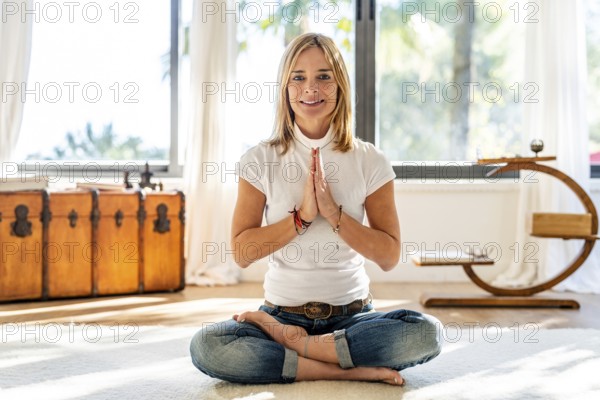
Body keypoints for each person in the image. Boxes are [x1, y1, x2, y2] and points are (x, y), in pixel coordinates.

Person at [190, 33, 442, 386]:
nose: (311, 89)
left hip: (353, 319)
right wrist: (302, 218)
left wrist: (335, 215)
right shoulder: (259, 159)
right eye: (299, 77)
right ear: (285, 87)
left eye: (324, 76)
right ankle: (345, 367)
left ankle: (297, 349)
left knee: (426, 333)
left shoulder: (370, 160)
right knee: (208, 345)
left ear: (339, 85)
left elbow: (388, 256)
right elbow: (242, 253)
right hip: (281, 314)